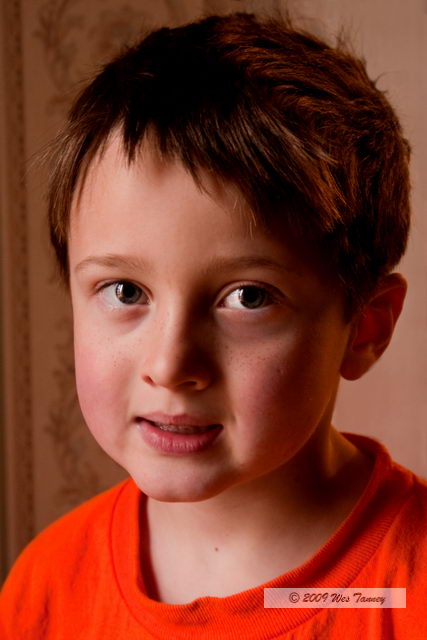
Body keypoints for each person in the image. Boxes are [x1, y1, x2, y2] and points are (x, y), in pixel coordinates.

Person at [1, 11, 426, 639]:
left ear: (365, 328)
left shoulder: (408, 590)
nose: (170, 366)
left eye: (248, 297)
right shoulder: (47, 586)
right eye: (125, 291)